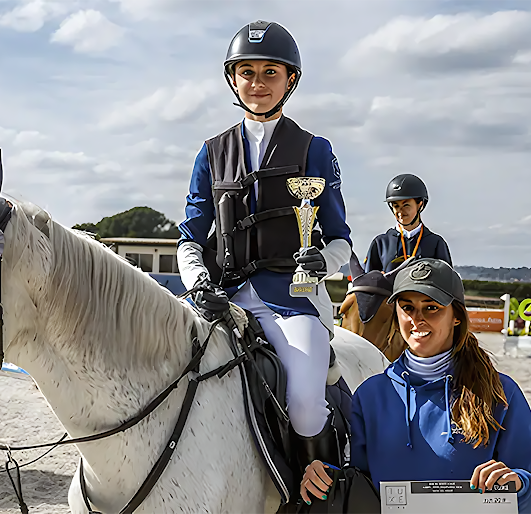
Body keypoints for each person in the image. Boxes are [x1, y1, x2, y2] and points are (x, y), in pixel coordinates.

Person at [176, 20, 353, 472]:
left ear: (290, 79)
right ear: (233, 79)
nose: (258, 83)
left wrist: (322, 262)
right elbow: (190, 237)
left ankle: (319, 493)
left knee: (306, 406)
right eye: (247, 72)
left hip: (291, 301)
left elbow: (339, 239)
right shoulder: (210, 151)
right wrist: (198, 283)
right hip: (221, 299)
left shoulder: (315, 149)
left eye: (270, 72)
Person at [300, 258, 531, 514]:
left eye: (432, 308)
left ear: (456, 316)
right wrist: (326, 478)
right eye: (407, 307)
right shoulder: (370, 395)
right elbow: (360, 481)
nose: (417, 319)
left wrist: (519, 484)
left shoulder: (500, 392)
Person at [364, 174, 451, 273]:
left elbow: (448, 279)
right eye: (396, 206)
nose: (400, 212)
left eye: (406, 205)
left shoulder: (436, 243)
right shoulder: (380, 243)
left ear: (420, 205)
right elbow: (367, 279)